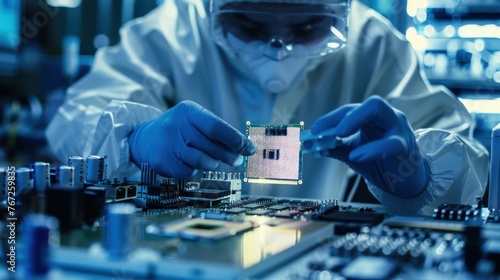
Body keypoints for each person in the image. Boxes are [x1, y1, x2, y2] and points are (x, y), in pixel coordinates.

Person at [46, 0, 488, 215]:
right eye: (250, 24)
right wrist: (134, 139)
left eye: (308, 26)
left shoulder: (373, 47)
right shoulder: (170, 33)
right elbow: (75, 122)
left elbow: (464, 166)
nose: (278, 48)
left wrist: (421, 177)